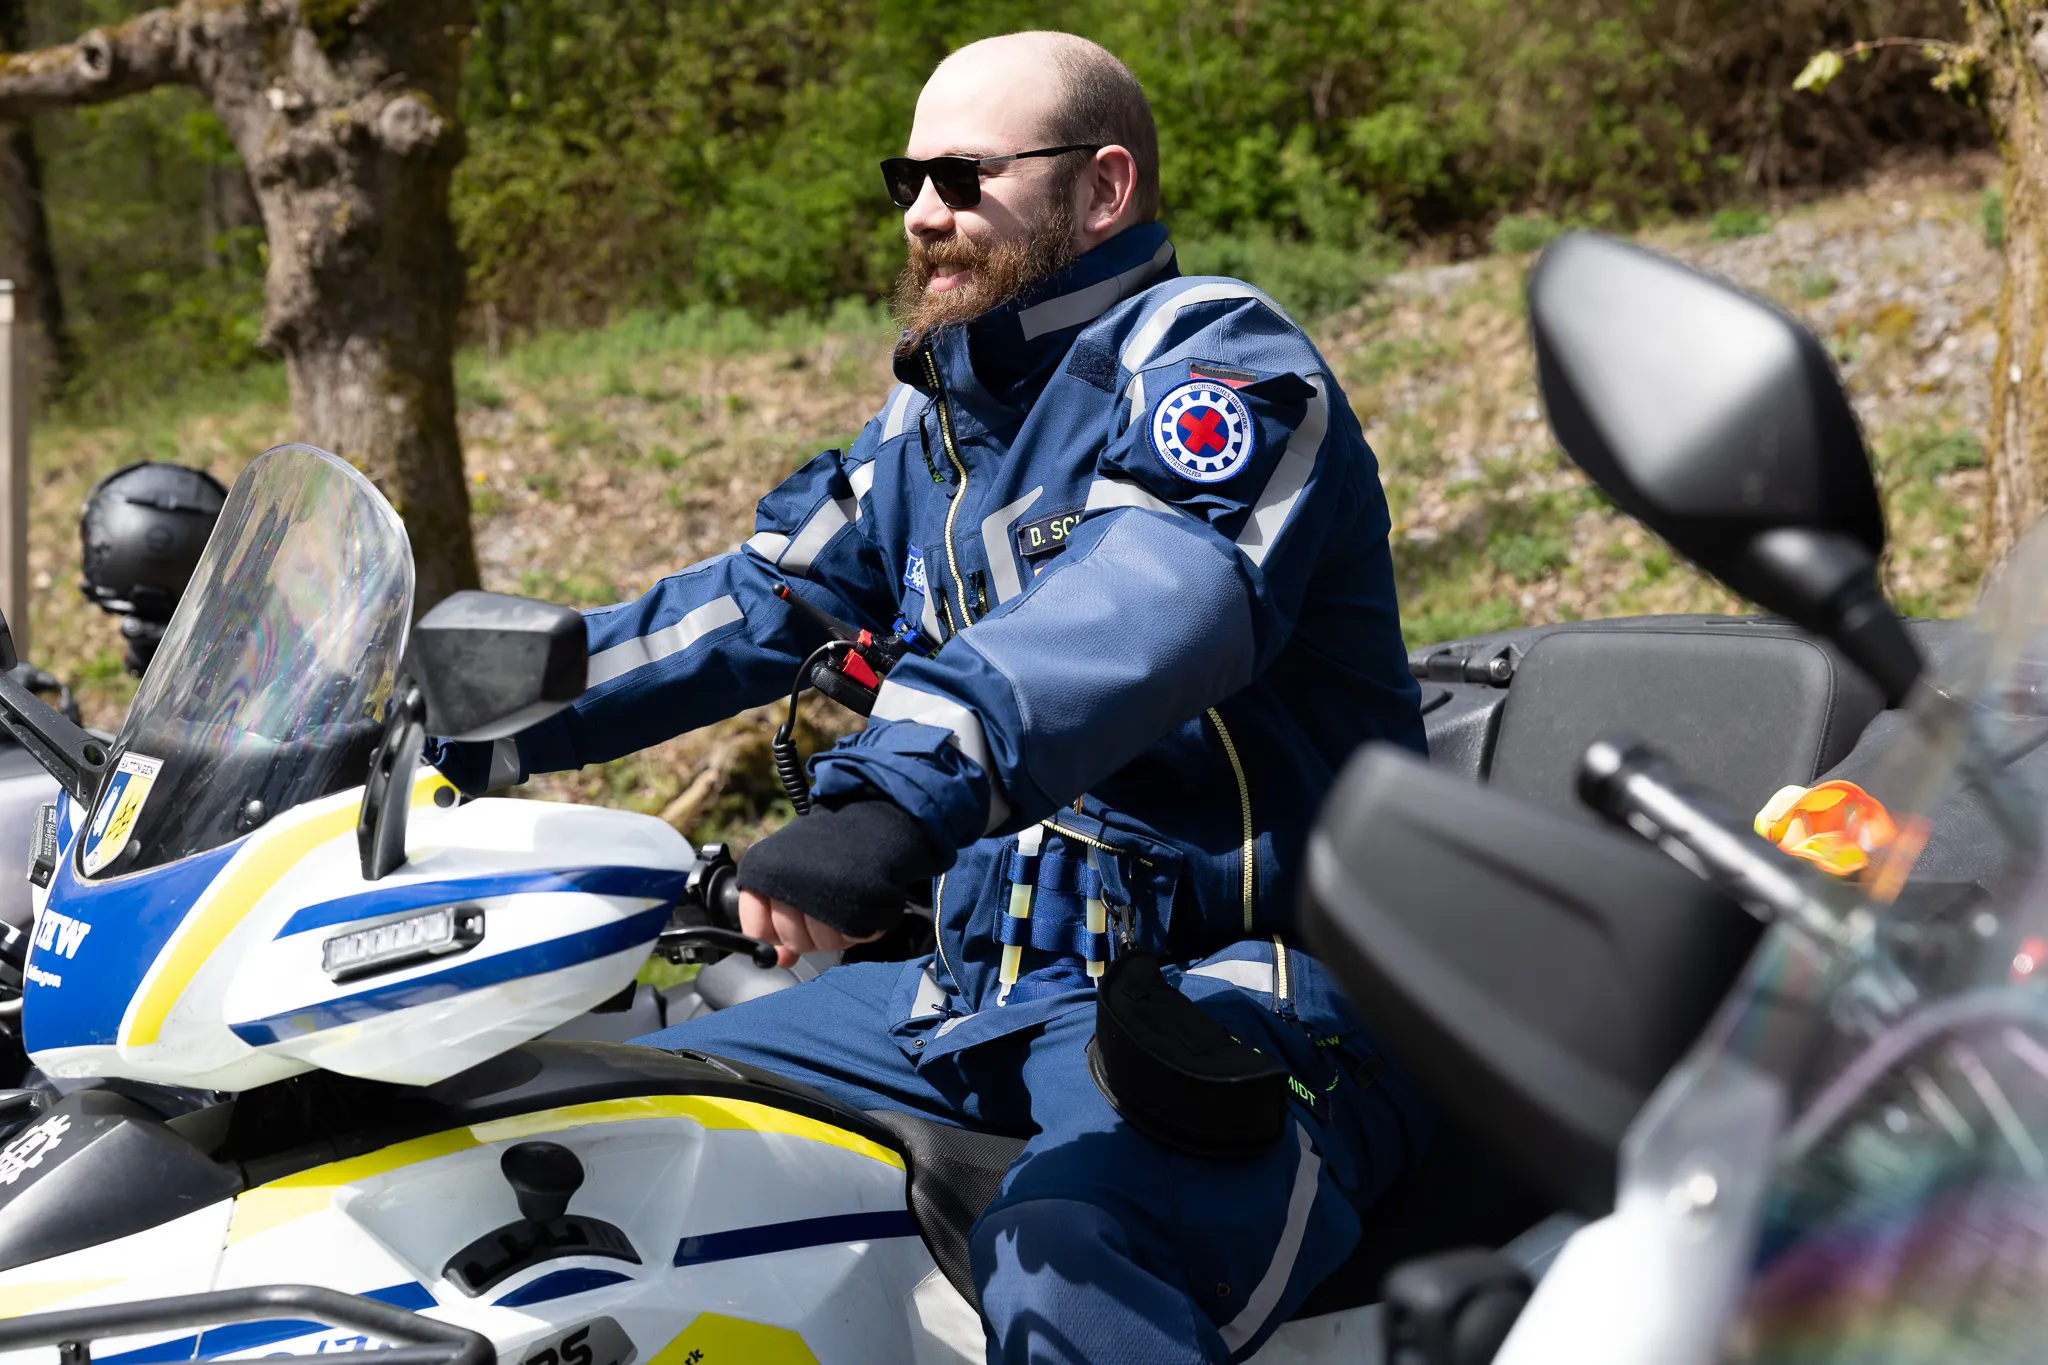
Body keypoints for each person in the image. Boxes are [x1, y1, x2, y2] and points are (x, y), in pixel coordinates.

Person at [438, 30, 1430, 1365]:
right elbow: (730, 616)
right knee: (613, 1138)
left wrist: (894, 790)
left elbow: (1158, 596)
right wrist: (440, 729)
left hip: (1238, 991)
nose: (922, 213)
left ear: (1105, 187)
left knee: (1075, 1258)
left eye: (965, 177)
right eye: (908, 177)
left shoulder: (1215, 358)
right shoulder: (930, 436)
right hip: (978, 995)